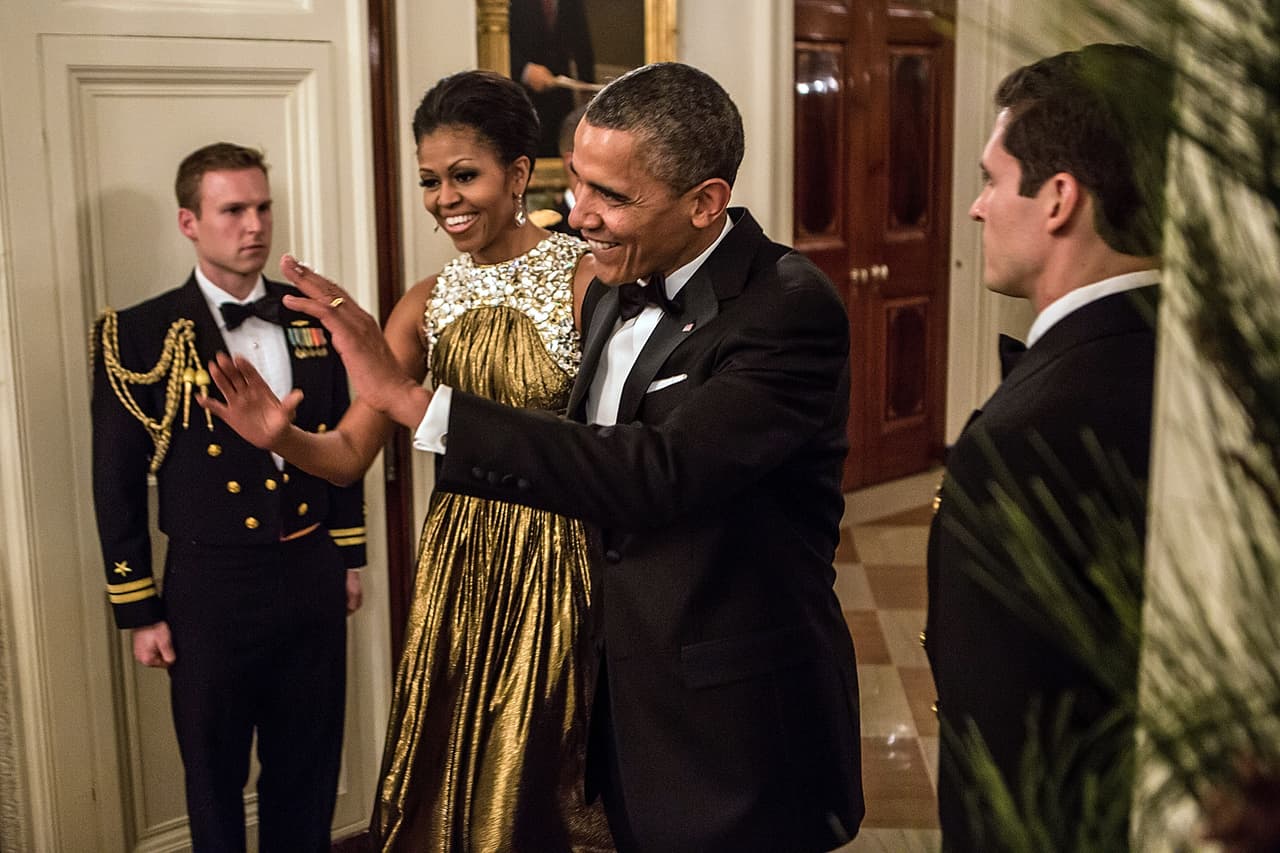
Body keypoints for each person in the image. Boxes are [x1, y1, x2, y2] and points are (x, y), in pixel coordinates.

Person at [211, 61, 866, 852]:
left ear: (705, 202)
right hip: (592, 649)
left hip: (723, 708)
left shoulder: (785, 307)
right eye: (579, 183)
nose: (579, 214)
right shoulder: (628, 271)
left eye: (610, 195)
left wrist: (414, 398)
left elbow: (653, 471)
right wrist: (285, 434)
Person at [204, 71, 612, 851]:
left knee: (548, 786)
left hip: (564, 563)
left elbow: (620, 446)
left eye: (466, 175)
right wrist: (280, 438)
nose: (444, 198)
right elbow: (350, 453)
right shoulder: (423, 302)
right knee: (454, 782)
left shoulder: (588, 280)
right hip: (458, 567)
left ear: (519, 174)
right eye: (430, 180)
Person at [922, 44, 1173, 850]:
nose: (976, 208)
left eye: (992, 180)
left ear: (1059, 197)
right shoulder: (1182, 358)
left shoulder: (1033, 432)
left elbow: (1010, 731)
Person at [90, 141, 367, 851]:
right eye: (233, 209)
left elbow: (341, 436)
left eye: (263, 207)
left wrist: (348, 554)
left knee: (306, 765)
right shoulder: (138, 333)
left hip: (308, 572)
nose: (254, 225)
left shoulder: (309, 317)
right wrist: (139, 609)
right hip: (210, 587)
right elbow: (115, 480)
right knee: (213, 774)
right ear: (189, 221)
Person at [510, 0, 596, 157]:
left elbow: (582, 45)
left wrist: (587, 88)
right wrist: (525, 70)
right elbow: (495, 41)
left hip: (561, 97)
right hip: (521, 99)